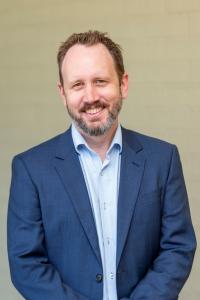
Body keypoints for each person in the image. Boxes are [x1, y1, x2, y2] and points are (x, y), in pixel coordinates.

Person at [7, 30, 196, 300]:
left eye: (100, 81)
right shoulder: (30, 169)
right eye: (78, 85)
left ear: (123, 84)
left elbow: (178, 247)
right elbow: (26, 263)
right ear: (63, 93)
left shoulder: (162, 160)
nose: (91, 96)